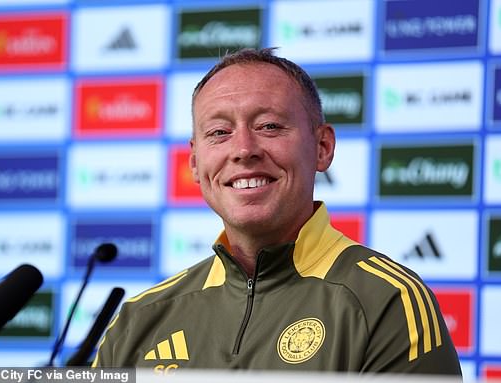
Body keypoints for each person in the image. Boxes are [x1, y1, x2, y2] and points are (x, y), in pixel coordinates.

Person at [92, 48, 462, 375]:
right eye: (219, 132)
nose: (243, 149)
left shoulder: (388, 301)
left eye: (269, 126)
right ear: (194, 162)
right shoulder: (138, 319)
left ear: (322, 148)